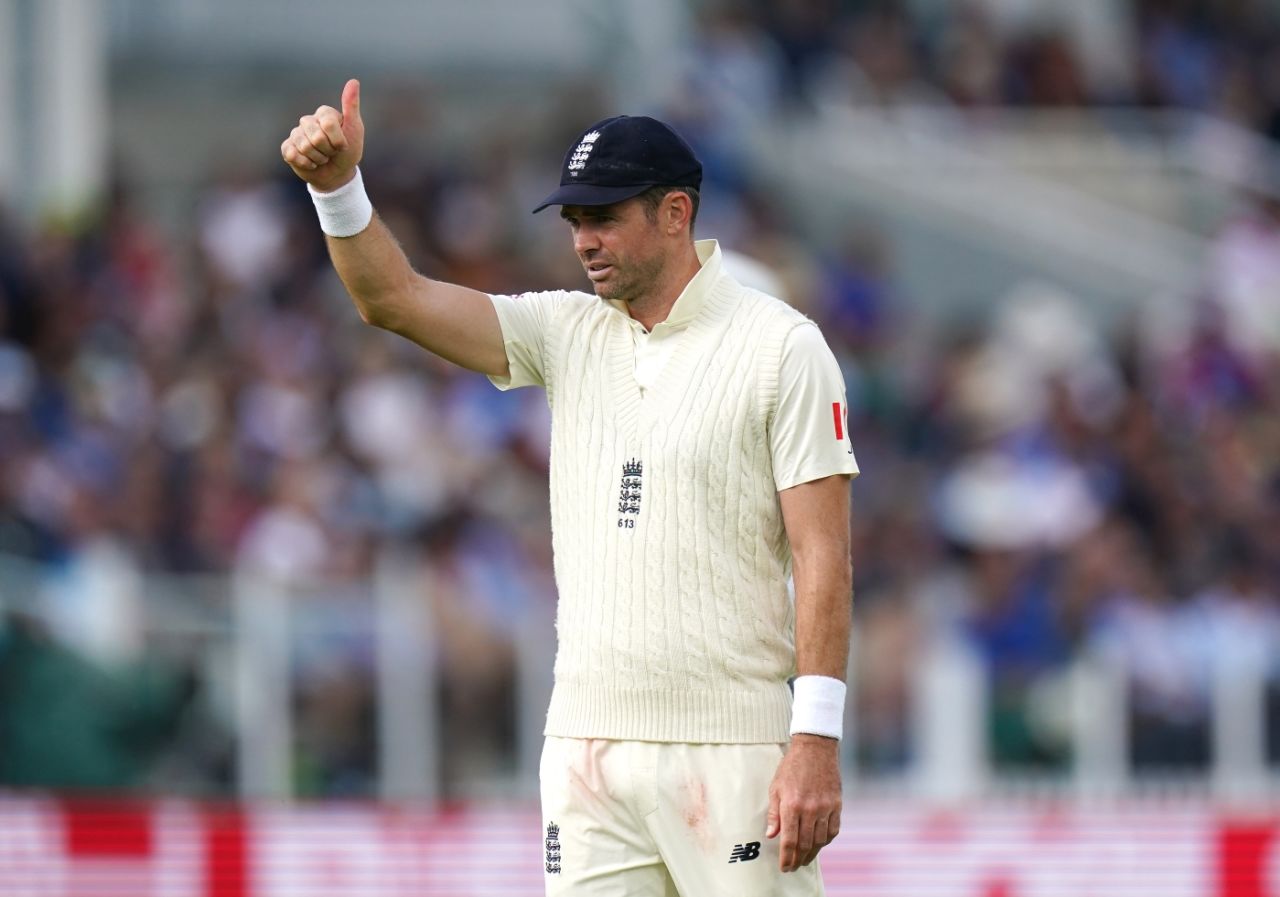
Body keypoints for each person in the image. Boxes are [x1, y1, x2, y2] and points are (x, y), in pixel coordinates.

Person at [281, 78, 859, 897]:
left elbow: (822, 553)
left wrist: (815, 739)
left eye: (604, 217)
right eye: (575, 221)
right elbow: (393, 300)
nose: (584, 240)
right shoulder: (564, 331)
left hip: (733, 747)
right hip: (587, 748)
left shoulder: (782, 348)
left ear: (675, 213)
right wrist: (339, 188)